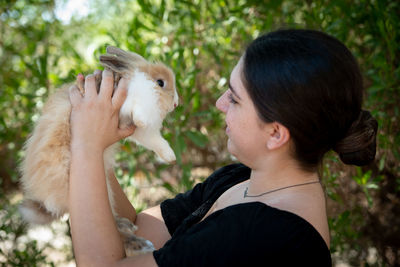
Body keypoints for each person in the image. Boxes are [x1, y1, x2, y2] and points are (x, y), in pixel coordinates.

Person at [68, 29, 378, 266]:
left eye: (235, 98)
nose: (219, 104)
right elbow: (137, 228)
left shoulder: (264, 235)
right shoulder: (240, 179)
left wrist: (86, 146)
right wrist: (99, 139)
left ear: (275, 133)